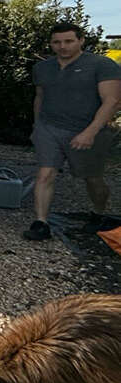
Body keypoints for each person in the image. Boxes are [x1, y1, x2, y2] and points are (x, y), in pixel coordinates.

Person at [24, 22, 121, 240]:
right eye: (57, 42)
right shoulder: (42, 68)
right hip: (49, 128)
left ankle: (98, 213)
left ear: (81, 41)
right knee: (45, 173)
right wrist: (37, 125)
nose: (62, 46)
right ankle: (41, 223)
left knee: (92, 178)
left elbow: (113, 101)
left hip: (88, 130)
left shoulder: (102, 65)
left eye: (69, 41)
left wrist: (90, 132)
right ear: (51, 44)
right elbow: (40, 97)